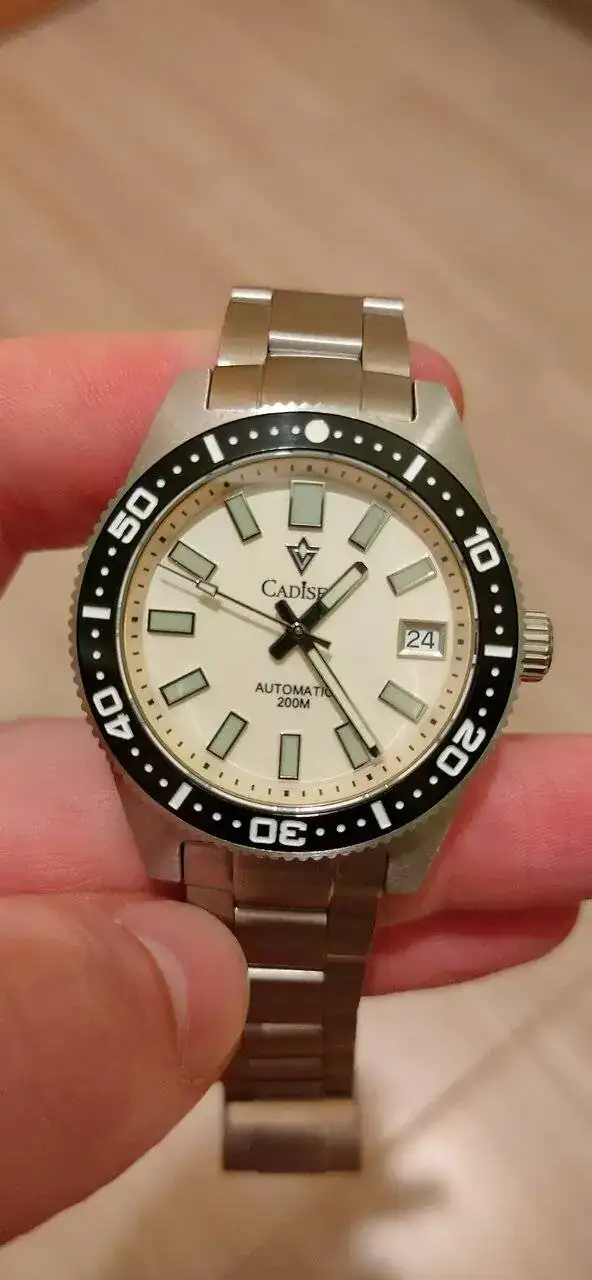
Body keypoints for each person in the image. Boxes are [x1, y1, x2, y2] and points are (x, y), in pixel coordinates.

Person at [0, 332, 589, 1243]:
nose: (298, 643)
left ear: (509, 648)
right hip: (225, 800)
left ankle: (284, 1130)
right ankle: (283, 1130)